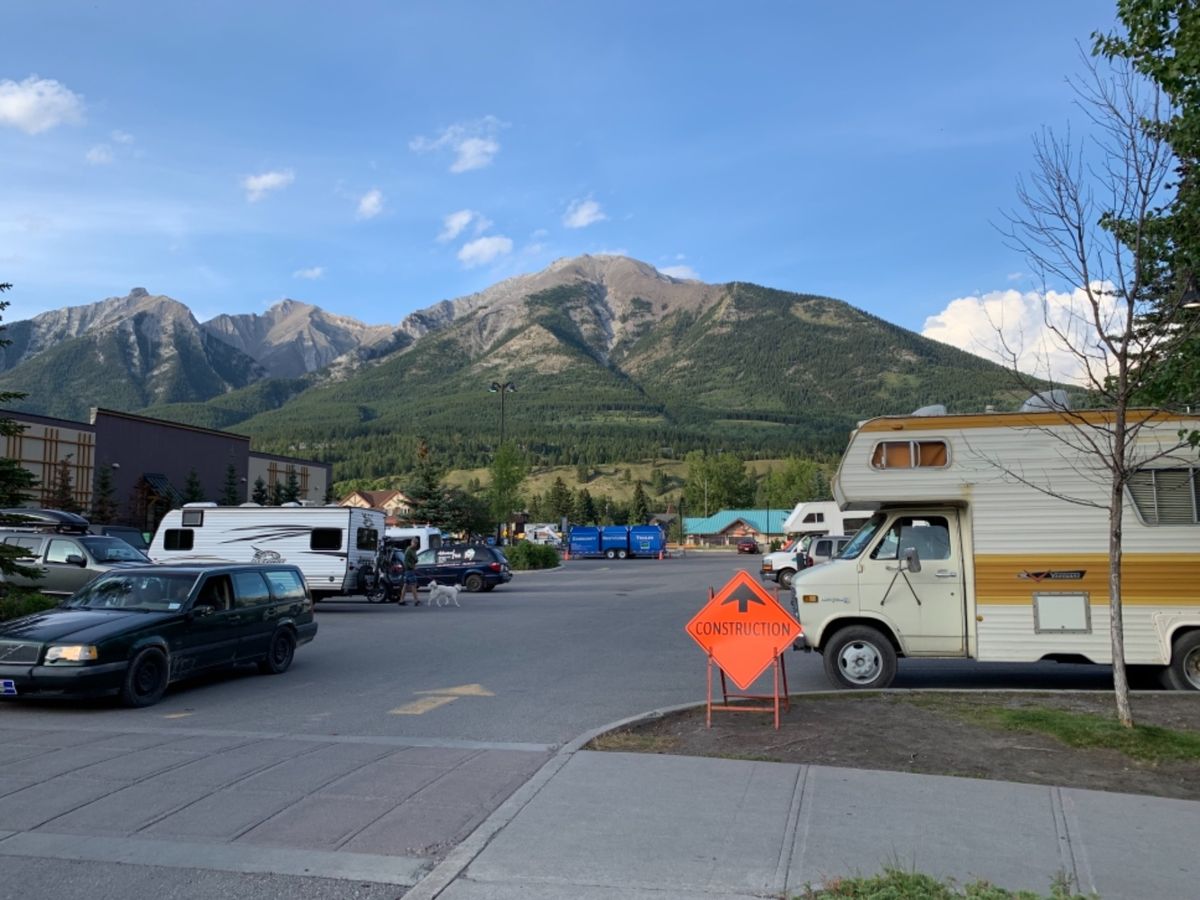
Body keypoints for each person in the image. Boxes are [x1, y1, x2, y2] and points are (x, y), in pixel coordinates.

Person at [402, 541, 421, 605]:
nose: (415, 544)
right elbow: (405, 561)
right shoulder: (408, 550)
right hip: (409, 570)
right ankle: (416, 600)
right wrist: (412, 567)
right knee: (413, 584)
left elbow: (415, 558)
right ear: (411, 542)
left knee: (406, 585)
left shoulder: (414, 550)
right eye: (414, 543)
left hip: (411, 570)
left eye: (416, 543)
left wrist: (416, 561)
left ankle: (401, 600)